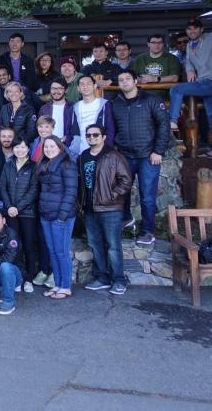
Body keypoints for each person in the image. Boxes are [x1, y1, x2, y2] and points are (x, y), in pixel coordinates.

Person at [111, 70, 172, 242]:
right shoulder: (116, 103)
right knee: (122, 192)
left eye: (127, 79)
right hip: (125, 156)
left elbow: (163, 125)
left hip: (148, 156)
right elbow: (112, 128)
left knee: (147, 197)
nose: (124, 82)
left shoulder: (151, 100)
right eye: (120, 80)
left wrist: (158, 151)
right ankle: (126, 218)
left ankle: (147, 232)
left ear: (135, 80)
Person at [169, 18, 212, 157]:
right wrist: (190, 70)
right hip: (206, 83)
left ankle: (173, 121)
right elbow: (188, 60)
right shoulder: (189, 45)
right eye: (189, 29)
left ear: (201, 29)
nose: (192, 31)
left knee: (176, 89)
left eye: (195, 28)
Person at [80, 123, 132, 296]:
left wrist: (110, 196)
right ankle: (102, 278)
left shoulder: (113, 156)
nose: (91, 138)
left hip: (110, 209)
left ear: (103, 137)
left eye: (95, 135)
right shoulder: (84, 156)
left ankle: (119, 280)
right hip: (89, 208)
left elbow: (126, 180)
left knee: (113, 246)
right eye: (88, 135)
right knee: (95, 245)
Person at [37, 136, 78, 300]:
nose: (48, 149)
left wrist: (62, 216)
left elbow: (71, 192)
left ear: (60, 147)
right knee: (53, 252)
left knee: (62, 252)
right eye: (46, 147)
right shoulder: (45, 165)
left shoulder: (67, 164)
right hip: (46, 215)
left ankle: (66, 286)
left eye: (52, 146)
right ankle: (58, 284)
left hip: (61, 216)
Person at [0, 137, 39, 292]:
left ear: (28, 149)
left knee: (28, 245)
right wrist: (9, 207)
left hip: (27, 213)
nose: (19, 150)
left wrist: (18, 207)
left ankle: (28, 279)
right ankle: (16, 278)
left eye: (23, 147)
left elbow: (33, 190)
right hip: (10, 213)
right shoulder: (8, 165)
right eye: (17, 147)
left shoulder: (33, 166)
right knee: (14, 246)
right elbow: (2, 186)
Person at [72, 74, 115, 153]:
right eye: (82, 84)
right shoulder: (76, 107)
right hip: (81, 151)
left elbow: (110, 129)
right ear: (78, 88)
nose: (85, 86)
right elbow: (74, 131)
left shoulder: (104, 104)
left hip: (101, 151)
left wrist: (107, 148)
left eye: (89, 84)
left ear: (94, 86)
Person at [132, 34, 182, 100]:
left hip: (166, 98)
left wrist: (155, 79)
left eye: (160, 42)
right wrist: (140, 79)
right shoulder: (140, 59)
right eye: (153, 42)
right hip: (143, 97)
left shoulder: (172, 59)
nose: (157, 45)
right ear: (148, 44)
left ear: (163, 44)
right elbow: (131, 76)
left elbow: (175, 78)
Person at [38, 78, 76, 147]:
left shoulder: (73, 107)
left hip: (67, 146)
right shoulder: (44, 109)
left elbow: (76, 129)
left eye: (59, 88)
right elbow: (40, 128)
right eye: (53, 88)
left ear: (66, 90)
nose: (56, 91)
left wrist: (67, 138)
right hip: (48, 146)